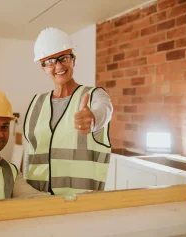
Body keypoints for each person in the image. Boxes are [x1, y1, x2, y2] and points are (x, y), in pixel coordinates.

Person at [23, 28, 113, 196]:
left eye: (63, 58)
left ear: (73, 60)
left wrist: (93, 120)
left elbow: (105, 110)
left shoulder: (94, 95)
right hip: (37, 201)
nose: (58, 66)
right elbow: (30, 155)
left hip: (80, 204)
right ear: (43, 68)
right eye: (50, 61)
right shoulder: (36, 102)